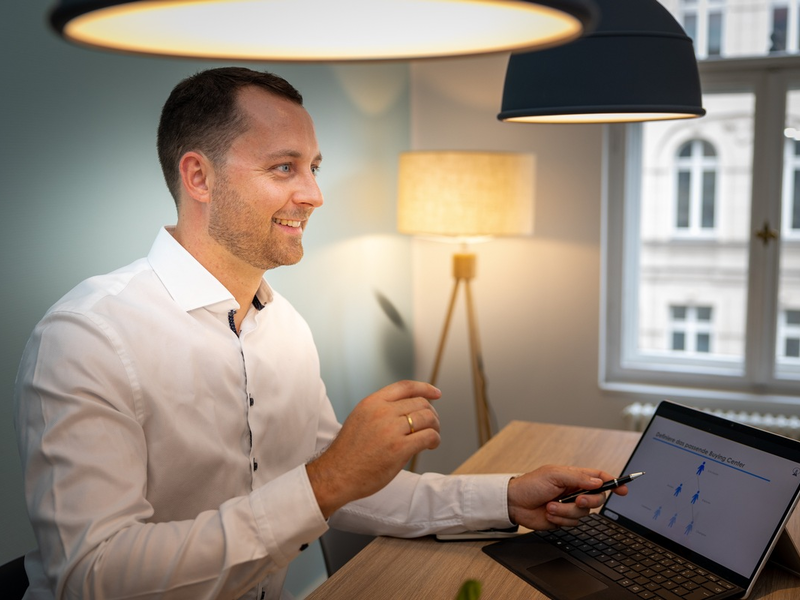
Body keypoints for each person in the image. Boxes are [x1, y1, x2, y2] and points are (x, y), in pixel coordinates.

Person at [14, 67, 626, 600]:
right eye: (285, 168)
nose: (313, 194)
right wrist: (326, 480)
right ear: (198, 178)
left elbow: (345, 490)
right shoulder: (88, 338)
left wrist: (509, 498)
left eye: (313, 167)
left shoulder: (283, 325)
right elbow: (90, 579)